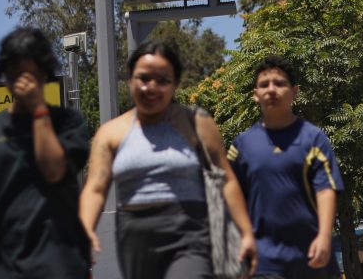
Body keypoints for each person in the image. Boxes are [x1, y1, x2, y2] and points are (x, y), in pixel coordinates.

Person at [79, 40, 256, 279]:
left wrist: (246, 232)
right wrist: (85, 231)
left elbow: (227, 180)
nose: (151, 87)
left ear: (176, 85)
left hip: (190, 232)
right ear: (130, 79)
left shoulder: (198, 124)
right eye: (143, 78)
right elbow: (96, 188)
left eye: (162, 80)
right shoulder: (111, 133)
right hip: (134, 237)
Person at [0, 27, 91, 279]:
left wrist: (38, 109)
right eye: (15, 75)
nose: (24, 83)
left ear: (45, 75)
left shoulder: (69, 123)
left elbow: (54, 170)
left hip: (58, 263)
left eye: (32, 75)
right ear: (4, 76)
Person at [228, 55, 344, 279]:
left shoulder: (314, 139)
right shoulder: (241, 146)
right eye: (264, 84)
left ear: (295, 91)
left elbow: (326, 190)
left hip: (311, 254)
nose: (271, 89)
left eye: (280, 83)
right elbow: (229, 192)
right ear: (255, 95)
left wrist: (324, 236)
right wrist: (242, 238)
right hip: (263, 261)